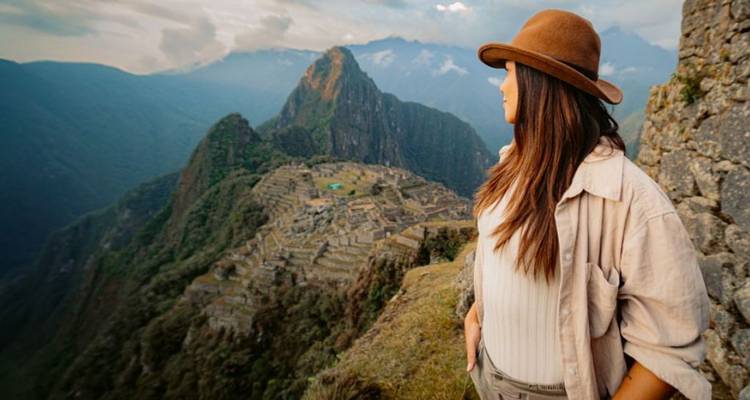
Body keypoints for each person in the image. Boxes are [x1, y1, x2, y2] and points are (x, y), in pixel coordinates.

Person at [464, 8, 711, 400]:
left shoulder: (633, 201)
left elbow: (667, 350)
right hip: (489, 376)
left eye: (509, 72)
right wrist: (479, 312)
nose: (501, 87)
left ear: (538, 83)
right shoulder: (509, 167)